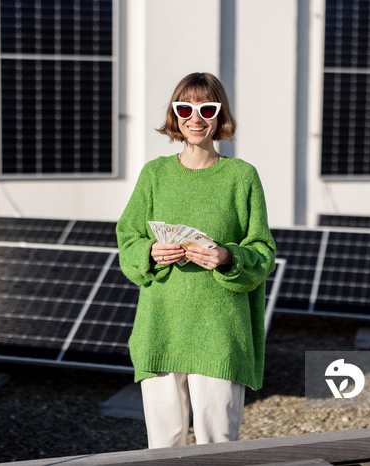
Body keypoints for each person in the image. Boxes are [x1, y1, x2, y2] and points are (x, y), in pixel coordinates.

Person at [116, 72, 277, 449]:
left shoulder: (242, 177)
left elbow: (264, 252)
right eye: (185, 107)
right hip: (161, 327)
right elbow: (128, 238)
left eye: (207, 108)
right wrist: (150, 252)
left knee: (217, 445)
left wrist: (226, 256)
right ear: (175, 113)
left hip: (221, 331)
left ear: (220, 115)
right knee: (163, 447)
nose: (195, 117)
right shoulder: (154, 174)